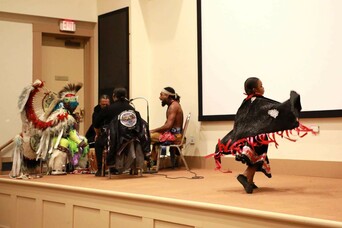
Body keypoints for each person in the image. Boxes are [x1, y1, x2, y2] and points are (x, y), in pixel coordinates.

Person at [215, 77, 305, 194]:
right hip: (257, 137)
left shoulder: (247, 102)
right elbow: (274, 109)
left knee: (256, 157)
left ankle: (249, 182)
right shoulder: (258, 101)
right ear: (255, 89)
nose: (263, 88)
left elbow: (241, 121)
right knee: (258, 157)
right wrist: (290, 104)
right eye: (261, 86)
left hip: (247, 137)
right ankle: (244, 176)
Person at [93, 88, 135, 175]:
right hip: (129, 138)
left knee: (98, 143)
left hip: (113, 138)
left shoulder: (109, 109)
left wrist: (98, 134)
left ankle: (101, 170)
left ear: (114, 96)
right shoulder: (131, 108)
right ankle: (118, 168)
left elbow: (96, 124)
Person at [150, 87, 184, 166]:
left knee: (148, 135)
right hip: (173, 134)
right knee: (152, 135)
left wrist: (153, 130)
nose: (159, 97)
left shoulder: (173, 106)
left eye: (161, 95)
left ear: (167, 96)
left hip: (175, 136)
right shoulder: (173, 105)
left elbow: (168, 126)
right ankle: (153, 160)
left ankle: (151, 161)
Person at [87, 94, 110, 176]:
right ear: (100, 104)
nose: (105, 106)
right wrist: (98, 134)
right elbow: (95, 126)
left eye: (107, 104)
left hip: (110, 133)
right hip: (98, 132)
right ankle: (100, 169)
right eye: (103, 104)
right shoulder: (96, 113)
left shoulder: (111, 110)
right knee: (97, 143)